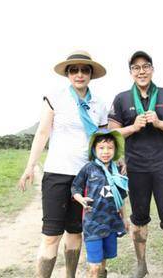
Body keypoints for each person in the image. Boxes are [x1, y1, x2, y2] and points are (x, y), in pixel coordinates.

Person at [18, 51, 109, 278]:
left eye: (84, 70)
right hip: (57, 173)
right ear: (68, 74)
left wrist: (115, 164)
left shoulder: (100, 104)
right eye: (74, 70)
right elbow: (42, 132)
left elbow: (104, 141)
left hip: (86, 176)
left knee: (76, 232)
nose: (79, 74)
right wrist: (30, 166)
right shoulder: (54, 97)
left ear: (91, 74)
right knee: (51, 235)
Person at [108, 51, 163, 278]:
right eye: (136, 67)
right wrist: (132, 127)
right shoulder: (121, 98)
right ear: (131, 72)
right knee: (139, 218)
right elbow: (111, 133)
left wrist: (159, 122)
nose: (141, 71)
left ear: (152, 69)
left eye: (145, 66)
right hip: (136, 168)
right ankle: (141, 265)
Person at [71, 129, 129, 278]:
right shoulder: (88, 168)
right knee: (94, 266)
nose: (106, 152)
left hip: (110, 223)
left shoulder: (117, 171)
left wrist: (125, 217)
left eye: (110, 148)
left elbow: (121, 197)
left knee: (104, 261)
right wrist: (80, 199)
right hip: (93, 224)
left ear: (115, 150)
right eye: (101, 148)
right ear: (94, 149)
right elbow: (75, 187)